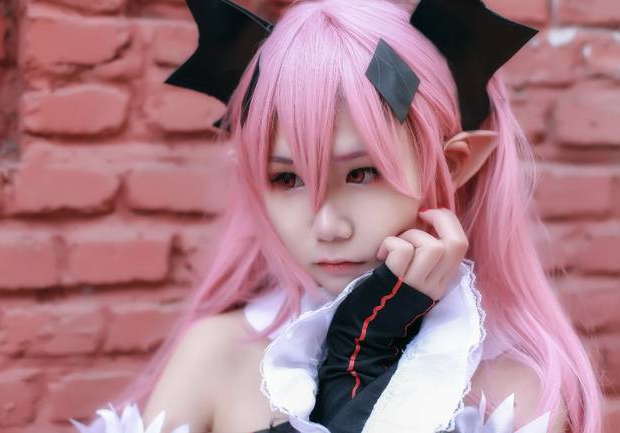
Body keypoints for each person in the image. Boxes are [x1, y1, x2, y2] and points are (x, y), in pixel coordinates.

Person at [69, 0, 603, 432]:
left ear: (454, 165)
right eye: (286, 179)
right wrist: (354, 352)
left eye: (363, 173)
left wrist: (369, 348)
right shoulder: (217, 357)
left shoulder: (518, 388)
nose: (326, 227)